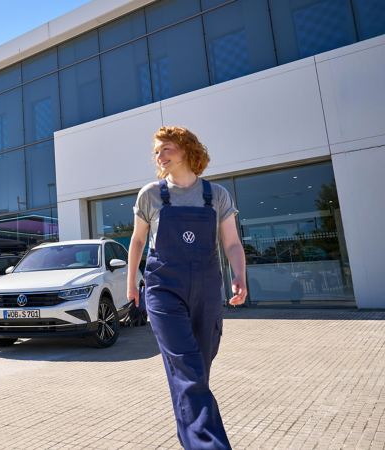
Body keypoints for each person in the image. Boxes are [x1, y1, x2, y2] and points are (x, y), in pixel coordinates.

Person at [126, 126, 247, 449]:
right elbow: (138, 240)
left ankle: (189, 436)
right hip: (164, 288)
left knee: (197, 369)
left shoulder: (216, 195)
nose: (159, 156)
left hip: (207, 287)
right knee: (187, 367)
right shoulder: (151, 194)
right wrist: (132, 284)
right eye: (156, 152)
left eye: (166, 149)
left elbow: (232, 243)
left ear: (186, 149)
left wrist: (239, 275)